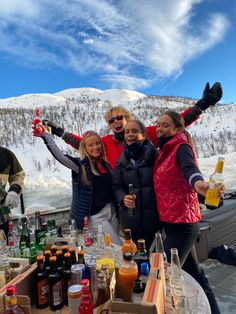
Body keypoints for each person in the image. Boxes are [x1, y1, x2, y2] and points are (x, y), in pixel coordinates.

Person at [43, 82, 223, 169]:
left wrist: (203, 104)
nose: (115, 122)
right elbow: (83, 143)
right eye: (111, 121)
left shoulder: (146, 134)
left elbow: (177, 123)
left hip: (149, 192)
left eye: (119, 117)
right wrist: (59, 131)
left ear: (127, 119)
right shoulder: (105, 142)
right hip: (122, 196)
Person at [153, 110, 222, 314]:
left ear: (177, 129)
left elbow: (190, 170)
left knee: (162, 278)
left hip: (183, 226)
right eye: (158, 124)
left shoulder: (181, 147)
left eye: (166, 125)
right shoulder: (163, 152)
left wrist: (200, 185)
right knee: (196, 274)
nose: (160, 128)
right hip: (172, 224)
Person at [33, 127, 122, 245]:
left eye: (97, 143)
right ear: (84, 148)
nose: (95, 147)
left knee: (108, 249)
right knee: (118, 247)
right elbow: (61, 156)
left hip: (112, 213)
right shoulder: (80, 166)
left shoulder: (105, 164)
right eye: (90, 145)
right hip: (97, 217)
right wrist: (46, 136)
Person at [113, 120, 159, 249]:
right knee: (137, 258)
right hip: (130, 221)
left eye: (134, 131)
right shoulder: (122, 161)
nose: (130, 134)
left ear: (143, 135)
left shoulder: (155, 156)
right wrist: (123, 198)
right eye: (127, 132)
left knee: (155, 260)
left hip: (153, 221)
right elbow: (116, 187)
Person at [0, 146, 25, 237]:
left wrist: (14, 190)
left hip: (2, 218)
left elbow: (18, 175)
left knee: (6, 249)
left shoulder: (6, 155)